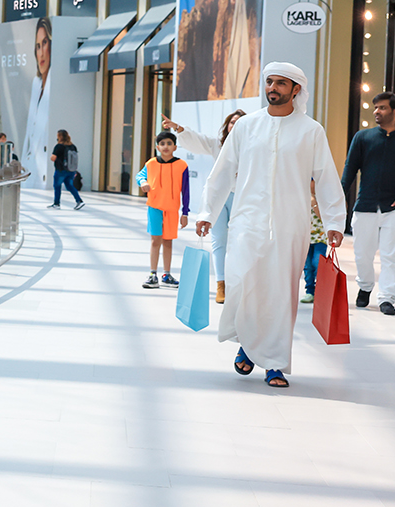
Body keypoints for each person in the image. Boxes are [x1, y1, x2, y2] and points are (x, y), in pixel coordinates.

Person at [196, 63, 345, 389]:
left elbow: (326, 178)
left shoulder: (311, 130)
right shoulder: (247, 126)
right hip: (247, 222)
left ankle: (275, 363)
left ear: (296, 90)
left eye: (281, 83)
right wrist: (207, 213)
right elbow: (222, 172)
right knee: (243, 284)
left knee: (280, 294)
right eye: (269, 81)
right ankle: (247, 345)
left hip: (291, 225)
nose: (273, 87)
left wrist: (334, 220)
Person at [164, 109, 247, 304]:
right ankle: (221, 285)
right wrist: (176, 127)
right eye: (232, 122)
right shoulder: (218, 144)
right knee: (219, 242)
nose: (234, 125)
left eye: (239, 122)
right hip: (218, 198)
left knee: (240, 242)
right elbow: (197, 140)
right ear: (227, 125)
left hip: (242, 198)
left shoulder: (254, 147)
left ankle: (238, 284)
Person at [340, 90, 395, 315]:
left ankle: (387, 297)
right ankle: (365, 286)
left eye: (382, 108)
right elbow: (350, 169)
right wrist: (338, 198)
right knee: (362, 252)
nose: (376, 111)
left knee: (391, 254)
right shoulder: (362, 137)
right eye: (375, 107)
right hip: (365, 204)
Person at [138, 131, 190, 289]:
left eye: (169, 143)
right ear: (157, 147)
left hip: (172, 209)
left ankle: (166, 274)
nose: (165, 146)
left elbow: (186, 191)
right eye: (162, 144)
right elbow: (139, 176)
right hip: (154, 207)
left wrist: (185, 213)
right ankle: (152, 274)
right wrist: (143, 183)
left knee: (168, 242)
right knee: (155, 240)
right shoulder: (151, 163)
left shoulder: (182, 165)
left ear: (175, 146)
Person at [22, 18, 54, 184]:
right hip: (29, 170)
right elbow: (29, 135)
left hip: (43, 173)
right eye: (37, 46)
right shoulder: (36, 84)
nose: (41, 52)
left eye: (45, 43)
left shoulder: (55, 84)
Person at [301, 186, 326, 305]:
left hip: (320, 236)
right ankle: (310, 291)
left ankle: (321, 291)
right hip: (305, 236)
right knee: (307, 265)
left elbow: (325, 217)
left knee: (318, 262)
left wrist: (314, 203)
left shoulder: (324, 197)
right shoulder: (301, 196)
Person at [49, 129, 84, 209]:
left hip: (61, 170)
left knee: (57, 186)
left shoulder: (59, 146)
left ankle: (56, 204)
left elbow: (53, 158)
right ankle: (79, 201)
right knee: (70, 186)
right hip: (71, 170)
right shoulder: (73, 146)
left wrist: (52, 157)